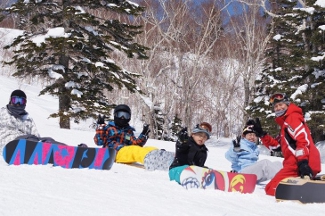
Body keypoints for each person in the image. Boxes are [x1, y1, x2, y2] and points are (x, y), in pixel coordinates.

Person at [252, 93, 321, 196]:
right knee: (272, 188)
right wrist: (262, 135)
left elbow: (303, 141)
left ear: (287, 104)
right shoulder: (285, 124)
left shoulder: (292, 118)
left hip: (299, 164)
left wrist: (303, 163)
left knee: (272, 188)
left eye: (281, 105)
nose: (278, 108)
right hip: (297, 163)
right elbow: (277, 146)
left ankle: (303, 192)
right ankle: (306, 184)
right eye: (276, 106)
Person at [94, 104, 174, 170]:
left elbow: (136, 144)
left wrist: (143, 134)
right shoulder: (108, 128)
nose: (122, 118)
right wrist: (100, 127)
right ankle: (153, 160)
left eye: (125, 115)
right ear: (115, 115)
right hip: (113, 153)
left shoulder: (129, 131)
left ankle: (165, 156)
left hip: (126, 152)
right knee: (134, 150)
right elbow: (99, 141)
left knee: (148, 148)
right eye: (120, 115)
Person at [0, 89, 40, 154]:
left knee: (44, 140)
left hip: (26, 144)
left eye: (21, 101)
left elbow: (36, 136)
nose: (18, 104)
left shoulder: (28, 119)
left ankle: (55, 152)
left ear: (25, 103)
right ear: (10, 101)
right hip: (7, 144)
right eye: (15, 100)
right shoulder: (2, 113)